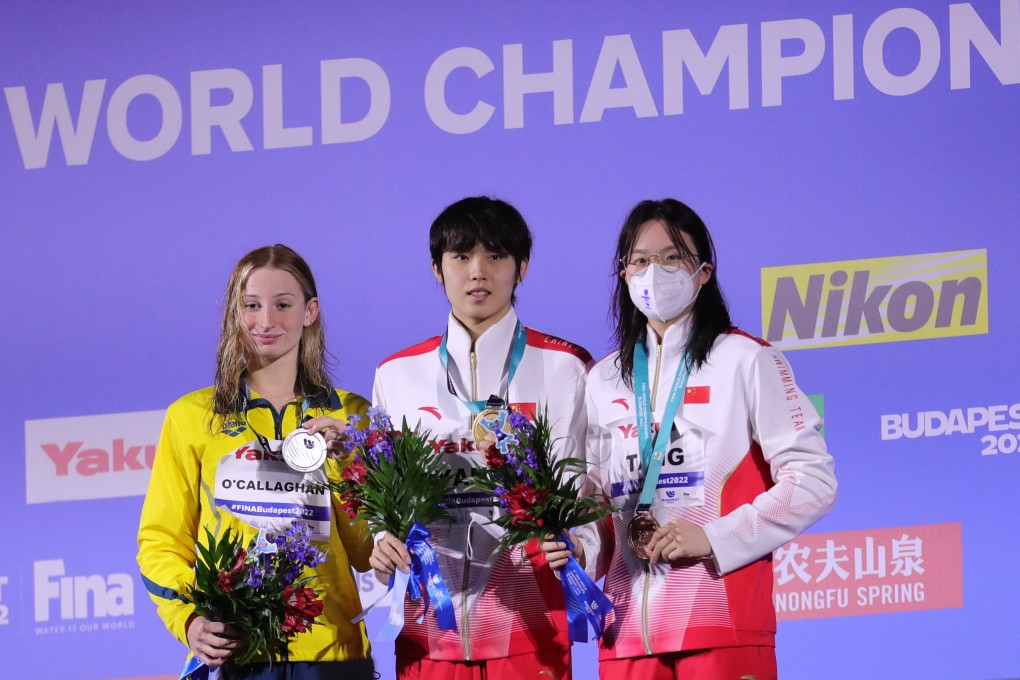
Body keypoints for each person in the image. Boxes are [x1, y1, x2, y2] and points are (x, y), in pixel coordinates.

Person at [564, 199, 837, 680]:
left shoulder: (746, 360)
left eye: (672, 258)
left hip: (722, 627)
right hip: (624, 636)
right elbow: (597, 506)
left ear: (704, 272)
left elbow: (813, 481)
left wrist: (712, 537)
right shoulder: (601, 380)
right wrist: (580, 551)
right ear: (624, 274)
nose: (654, 272)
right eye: (640, 260)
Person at [370, 197, 592, 680]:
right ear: (437, 268)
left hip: (532, 627)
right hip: (429, 630)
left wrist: (581, 546)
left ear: (522, 269)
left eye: (495, 256)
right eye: (461, 256)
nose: (478, 272)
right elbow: (385, 500)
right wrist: (381, 540)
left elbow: (591, 488)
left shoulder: (565, 366)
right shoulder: (397, 373)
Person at [137, 244, 376, 679]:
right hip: (238, 654)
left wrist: (349, 461)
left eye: (283, 304)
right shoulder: (191, 417)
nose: (266, 321)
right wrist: (189, 621)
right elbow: (160, 542)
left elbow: (367, 552)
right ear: (234, 313)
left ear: (310, 311)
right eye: (252, 305)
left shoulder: (352, 415)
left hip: (334, 655)